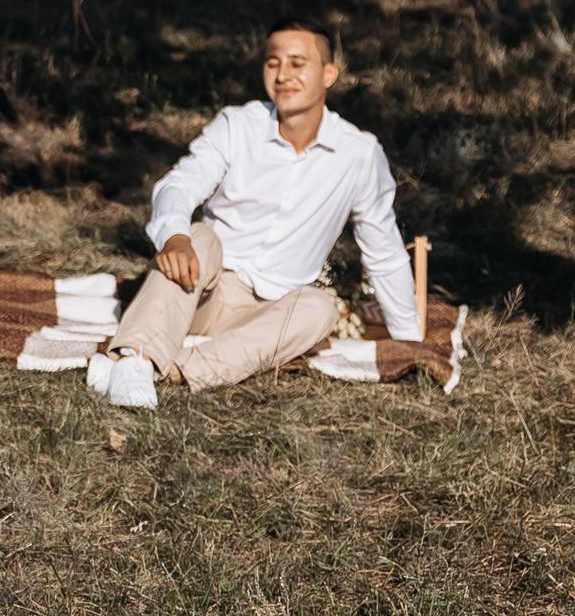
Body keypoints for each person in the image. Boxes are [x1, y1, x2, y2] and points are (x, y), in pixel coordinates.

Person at [89, 22, 422, 410]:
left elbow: (383, 251)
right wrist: (173, 236)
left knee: (318, 309)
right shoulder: (237, 125)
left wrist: (409, 341)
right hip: (199, 292)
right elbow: (179, 184)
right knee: (198, 236)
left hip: (267, 315)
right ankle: (135, 359)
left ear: (329, 74)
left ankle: (176, 370)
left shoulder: (360, 154)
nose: (282, 75)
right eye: (273, 63)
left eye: (298, 63)